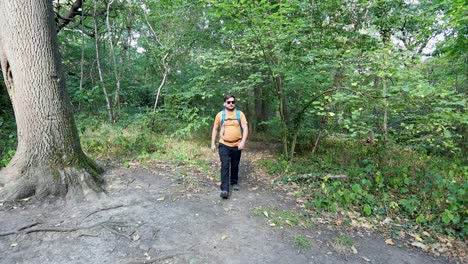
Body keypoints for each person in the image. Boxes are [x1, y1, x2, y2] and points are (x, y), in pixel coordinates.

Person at [211, 94, 248, 199]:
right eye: (228, 102)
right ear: (224, 103)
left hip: (237, 144)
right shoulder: (220, 115)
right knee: (225, 165)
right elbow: (215, 129)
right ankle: (225, 189)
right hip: (224, 144)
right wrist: (212, 143)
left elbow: (245, 128)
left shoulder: (240, 114)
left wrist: (243, 142)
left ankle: (234, 181)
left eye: (233, 102)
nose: (231, 104)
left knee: (235, 164)